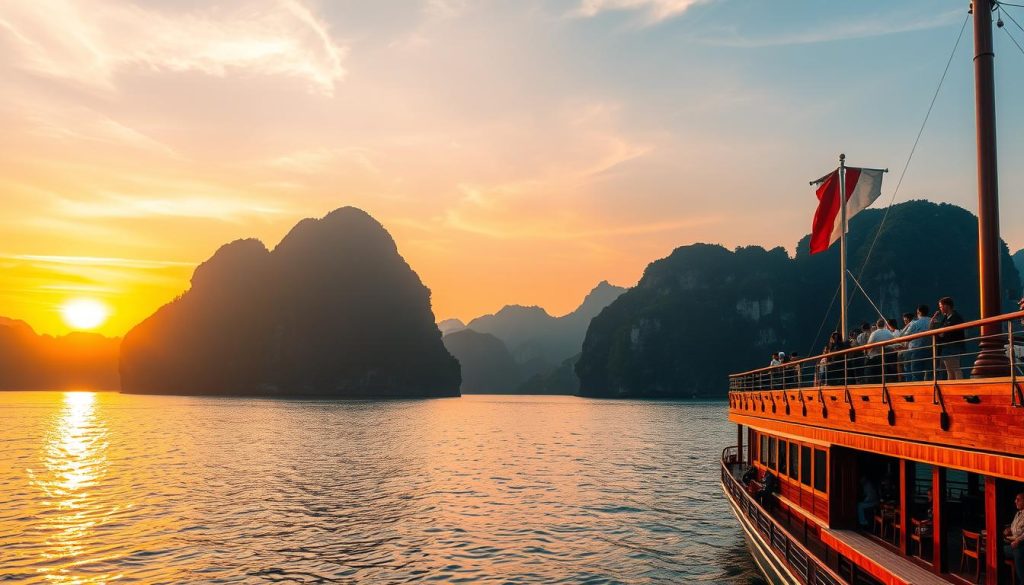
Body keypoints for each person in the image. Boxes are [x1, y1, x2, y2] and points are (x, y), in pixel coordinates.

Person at [930, 296, 966, 380]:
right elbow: (940, 332)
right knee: (950, 370)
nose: (940, 309)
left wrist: (939, 332)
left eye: (941, 306)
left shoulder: (955, 317)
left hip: (952, 346)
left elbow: (943, 333)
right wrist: (933, 322)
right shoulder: (947, 318)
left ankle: (959, 388)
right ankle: (953, 388)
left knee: (955, 369)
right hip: (948, 347)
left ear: (947, 306)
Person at [865, 318, 895, 384]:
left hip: (876, 358)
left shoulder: (874, 333)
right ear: (884, 325)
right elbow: (893, 342)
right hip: (887, 357)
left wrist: (867, 353)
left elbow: (868, 345)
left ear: (877, 325)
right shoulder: (889, 332)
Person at [1003, 492, 1024, 585]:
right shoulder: (1018, 513)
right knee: (996, 549)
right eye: (1016, 499)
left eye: (1018, 499)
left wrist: (1018, 541)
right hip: (1010, 542)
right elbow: (1013, 527)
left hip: (1020, 544)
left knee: (1017, 551)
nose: (1015, 501)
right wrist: (1008, 530)